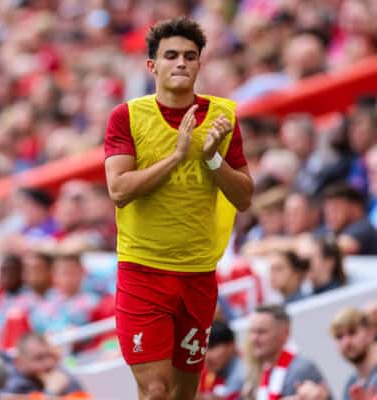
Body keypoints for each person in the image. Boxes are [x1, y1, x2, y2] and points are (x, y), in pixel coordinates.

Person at [104, 17, 253, 400]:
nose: (181, 63)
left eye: (190, 55)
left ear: (200, 63)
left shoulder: (223, 118)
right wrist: (176, 157)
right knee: (155, 389)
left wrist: (212, 160)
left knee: (184, 394)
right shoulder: (127, 116)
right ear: (152, 65)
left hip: (197, 273)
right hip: (143, 271)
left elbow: (245, 197)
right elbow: (119, 190)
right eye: (171, 55)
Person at [241, 305, 330, 399]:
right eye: (251, 332)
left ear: (285, 333)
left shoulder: (301, 369)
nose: (254, 339)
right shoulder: (261, 371)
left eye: (262, 332)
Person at [330, 308, 377, 400]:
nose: (346, 342)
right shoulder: (350, 384)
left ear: (370, 333)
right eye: (339, 337)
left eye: (352, 332)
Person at [197, 320, 244, 400]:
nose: (206, 356)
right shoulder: (214, 370)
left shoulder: (242, 373)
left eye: (212, 347)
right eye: (203, 349)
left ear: (231, 346)